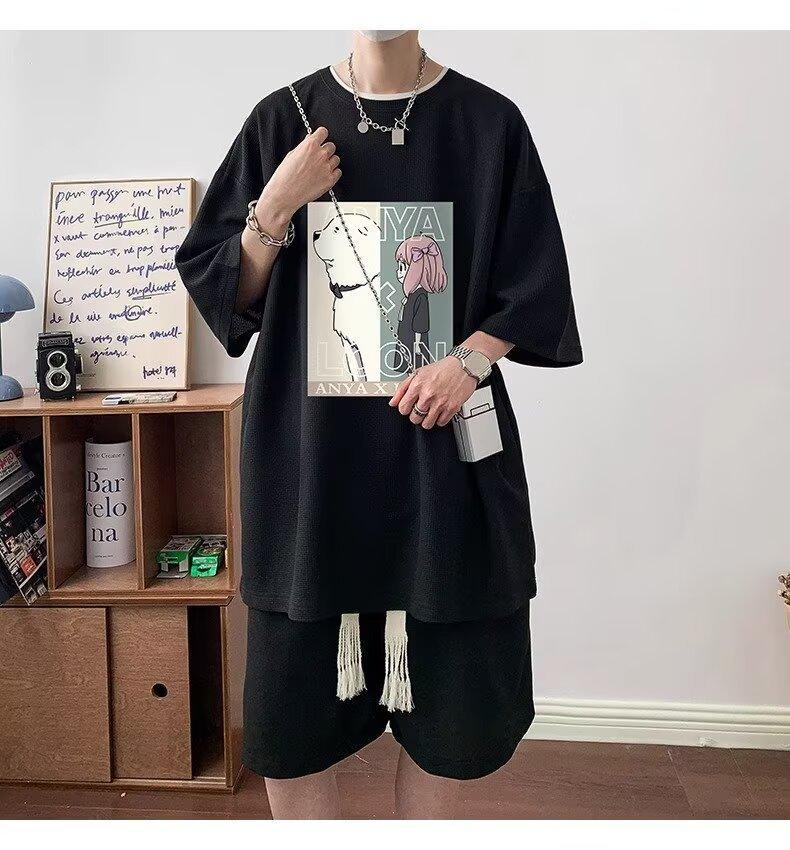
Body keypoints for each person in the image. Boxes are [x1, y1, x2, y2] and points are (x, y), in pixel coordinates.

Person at [176, 30, 582, 819]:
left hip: (443, 465)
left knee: (450, 721)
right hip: (311, 466)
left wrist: (467, 360)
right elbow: (226, 293)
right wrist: (275, 205)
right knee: (289, 728)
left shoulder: (488, 124)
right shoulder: (282, 121)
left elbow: (535, 283)